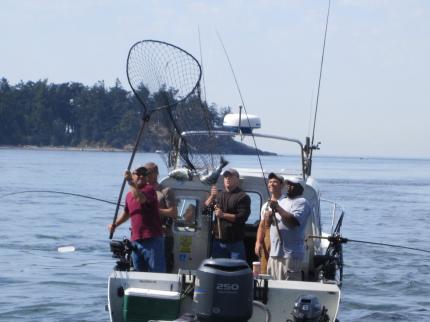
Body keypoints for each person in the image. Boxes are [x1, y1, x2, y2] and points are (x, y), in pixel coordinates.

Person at [108, 166, 165, 272]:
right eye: (137, 173)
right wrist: (115, 225)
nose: (141, 176)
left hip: (151, 240)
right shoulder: (129, 195)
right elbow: (127, 212)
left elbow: (140, 198)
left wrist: (129, 181)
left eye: (144, 174)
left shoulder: (149, 190)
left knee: (156, 273)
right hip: (135, 241)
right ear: (133, 175)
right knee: (138, 274)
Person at [267, 176, 311, 280]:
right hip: (275, 253)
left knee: (289, 284)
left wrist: (277, 208)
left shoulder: (302, 202)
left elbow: (294, 222)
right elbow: (271, 224)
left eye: (293, 184)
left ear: (300, 188)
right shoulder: (282, 201)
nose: (289, 186)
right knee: (272, 283)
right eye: (288, 184)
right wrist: (269, 217)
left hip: (290, 255)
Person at [204, 168, 251, 260]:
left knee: (236, 271)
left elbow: (242, 217)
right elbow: (205, 209)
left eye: (230, 177)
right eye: (226, 177)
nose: (227, 179)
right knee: (219, 271)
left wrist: (223, 215)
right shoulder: (219, 195)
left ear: (237, 179)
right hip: (218, 243)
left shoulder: (242, 196)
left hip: (235, 244)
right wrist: (212, 197)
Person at [143, 162, 177, 273]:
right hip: (145, 236)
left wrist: (155, 210)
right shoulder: (141, 192)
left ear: (156, 173)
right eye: (144, 173)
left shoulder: (166, 191)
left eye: (148, 172)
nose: (145, 175)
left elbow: (173, 212)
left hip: (163, 237)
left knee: (162, 268)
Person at [254, 173, 286, 273]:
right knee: (264, 271)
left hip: (281, 244)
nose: (271, 184)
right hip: (266, 242)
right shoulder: (265, 205)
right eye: (270, 182)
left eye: (275, 182)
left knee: (279, 272)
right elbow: (262, 226)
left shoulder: (286, 202)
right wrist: (258, 242)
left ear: (282, 185)